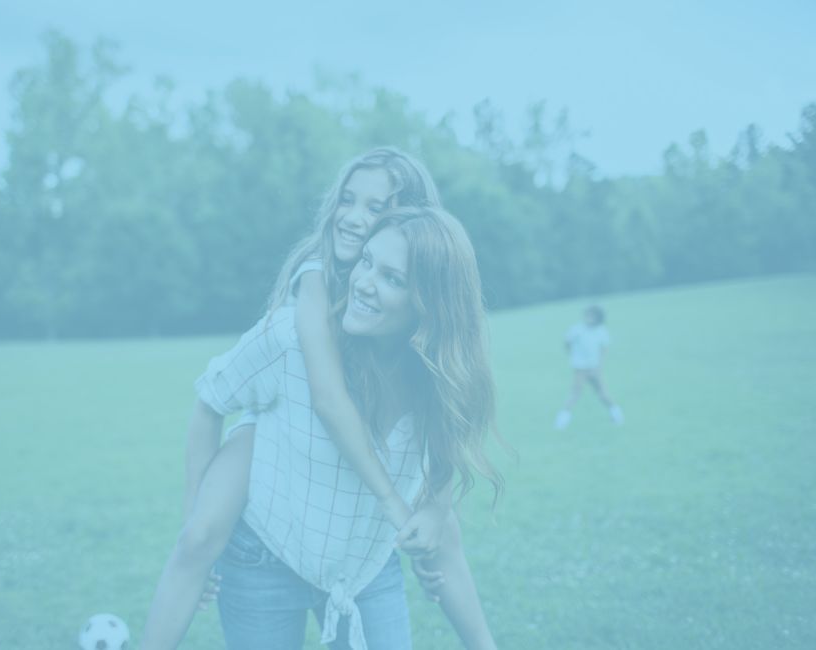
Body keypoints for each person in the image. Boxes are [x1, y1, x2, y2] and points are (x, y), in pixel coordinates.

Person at [140, 151, 497, 649]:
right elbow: (314, 400)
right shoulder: (303, 314)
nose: (354, 220)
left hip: (363, 567)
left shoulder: (434, 369)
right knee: (200, 535)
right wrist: (193, 514)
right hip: (266, 554)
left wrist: (431, 523)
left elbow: (441, 484)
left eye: (376, 210)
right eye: (347, 201)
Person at [554, 304, 624, 429]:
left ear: (598, 318)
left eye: (592, 315)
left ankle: (616, 413)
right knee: (575, 393)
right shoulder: (577, 329)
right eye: (588, 314)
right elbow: (567, 343)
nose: (588, 317)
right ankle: (562, 420)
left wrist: (598, 367)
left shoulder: (601, 331)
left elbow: (604, 349)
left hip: (594, 368)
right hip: (580, 368)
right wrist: (574, 356)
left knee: (602, 394)